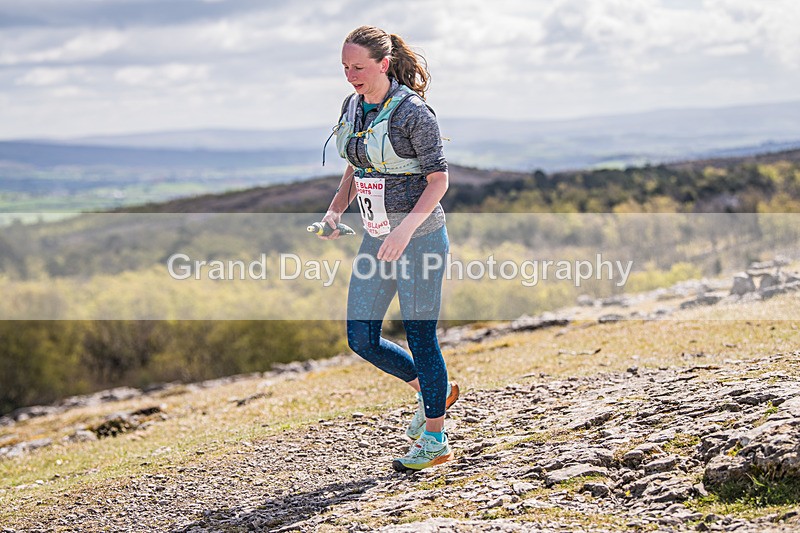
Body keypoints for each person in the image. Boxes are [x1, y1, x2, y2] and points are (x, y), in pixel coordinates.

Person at [319, 25, 459, 472]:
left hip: (419, 239)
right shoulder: (354, 107)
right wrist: (336, 211)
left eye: (357, 67)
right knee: (361, 337)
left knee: (420, 335)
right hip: (377, 236)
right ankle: (433, 390)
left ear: (383, 64)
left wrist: (404, 231)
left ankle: (435, 439)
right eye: (344, 67)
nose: (350, 75)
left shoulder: (414, 113)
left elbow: (439, 180)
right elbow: (356, 164)